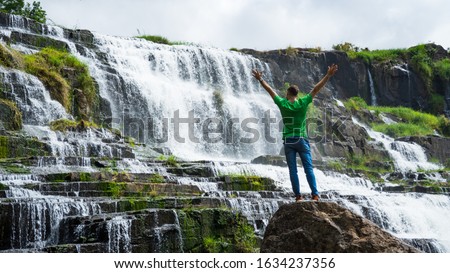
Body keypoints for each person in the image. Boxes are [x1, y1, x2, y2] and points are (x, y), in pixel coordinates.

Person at [252, 64, 338, 202]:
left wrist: (260, 79)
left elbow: (270, 90)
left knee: (293, 170)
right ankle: (315, 195)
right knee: (308, 168)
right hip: (302, 140)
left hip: (289, 141)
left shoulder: (282, 103)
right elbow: (316, 89)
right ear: (297, 94)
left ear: (287, 93)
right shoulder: (303, 102)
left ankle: (298, 197)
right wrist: (328, 75)